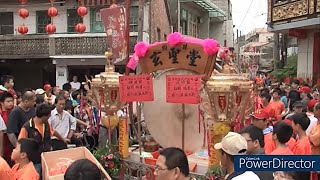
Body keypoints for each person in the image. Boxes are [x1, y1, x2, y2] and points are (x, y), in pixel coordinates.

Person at [0, 92, 14, 163]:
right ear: (2, 102)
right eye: (8, 101)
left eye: (12, 101)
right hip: (3, 143)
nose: (11, 103)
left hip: (11, 144)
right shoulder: (1, 115)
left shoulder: (14, 113)